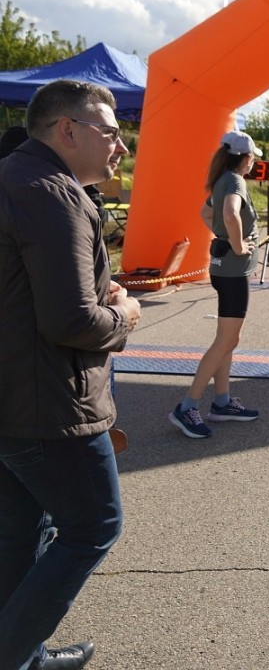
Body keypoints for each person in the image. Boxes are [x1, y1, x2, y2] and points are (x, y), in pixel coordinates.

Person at [0, 79, 142, 670]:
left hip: (14, 401)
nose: (121, 148)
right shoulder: (53, 193)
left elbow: (33, 296)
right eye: (111, 133)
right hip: (51, 407)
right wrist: (124, 313)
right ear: (68, 130)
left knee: (19, 532)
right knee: (93, 526)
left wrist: (93, 294)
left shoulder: (13, 176)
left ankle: (23, 653)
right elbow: (71, 321)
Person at [168, 130, 262, 440]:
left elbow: (205, 212)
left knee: (228, 338)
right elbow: (229, 213)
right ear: (244, 158)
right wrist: (237, 245)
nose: (253, 164)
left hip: (224, 270)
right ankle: (187, 406)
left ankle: (221, 402)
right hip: (233, 271)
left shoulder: (221, 179)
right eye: (252, 158)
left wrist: (224, 238)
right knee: (225, 340)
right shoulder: (234, 180)